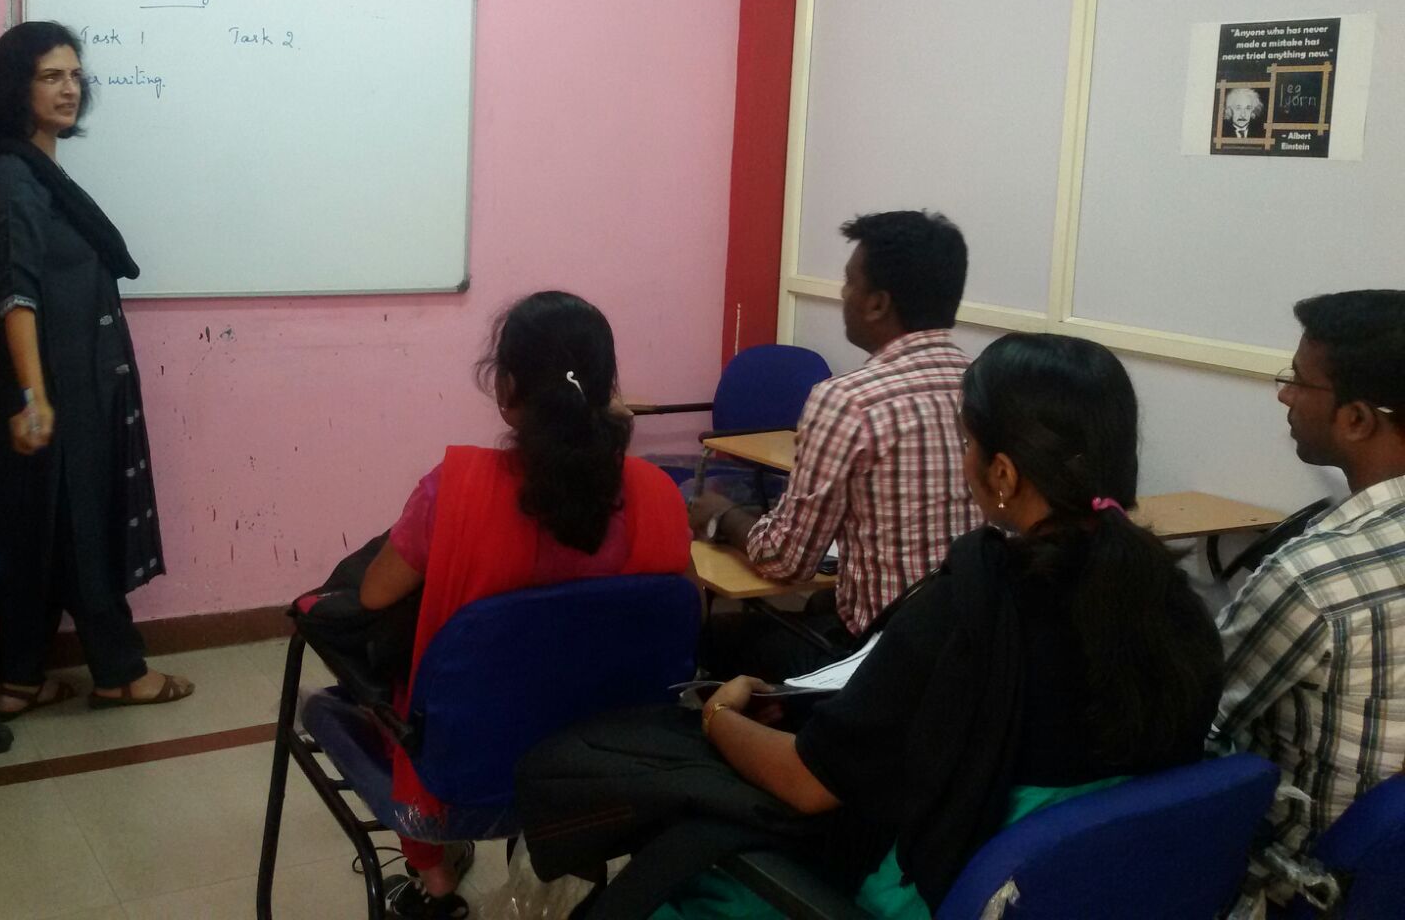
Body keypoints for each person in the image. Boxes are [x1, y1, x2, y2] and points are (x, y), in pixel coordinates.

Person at [518, 334, 1224, 919]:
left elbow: (808, 784)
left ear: (1004, 474)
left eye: (967, 443)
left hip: (922, 886)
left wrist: (721, 716)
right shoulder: (1177, 608)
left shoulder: (973, 609)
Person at [359, 291, 691, 919]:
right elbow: (684, 606)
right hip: (605, 760)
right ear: (607, 388)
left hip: (472, 764)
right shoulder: (660, 495)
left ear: (506, 388)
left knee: (388, 681)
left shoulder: (454, 492)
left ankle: (435, 883)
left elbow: (374, 593)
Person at [0, 21, 192, 717]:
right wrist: (34, 396)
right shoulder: (10, 180)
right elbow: (14, 293)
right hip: (46, 390)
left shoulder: (36, 174)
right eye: (51, 76)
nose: (69, 88)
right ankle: (119, 672)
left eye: (75, 76)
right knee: (81, 529)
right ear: (14, 87)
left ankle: (20, 679)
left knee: (38, 533)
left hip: (62, 387)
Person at [694, 210, 981, 680]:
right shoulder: (985, 384)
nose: (842, 295)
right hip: (972, 649)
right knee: (821, 605)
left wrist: (723, 515)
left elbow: (785, 560)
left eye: (849, 282)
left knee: (717, 636)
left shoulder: (849, 400)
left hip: (883, 663)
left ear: (877, 304)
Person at [1211, 290, 1405, 912]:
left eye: (1297, 381)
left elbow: (1197, 722)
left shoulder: (1312, 578)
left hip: (1307, 887)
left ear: (1358, 419)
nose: (1285, 396)